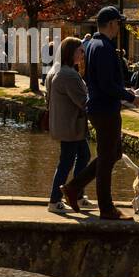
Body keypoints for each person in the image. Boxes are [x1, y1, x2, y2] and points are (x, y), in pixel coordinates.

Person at [64, 6, 139, 220]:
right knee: (108, 158)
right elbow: (108, 85)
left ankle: (74, 187)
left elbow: (101, 81)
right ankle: (106, 208)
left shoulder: (91, 44)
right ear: (110, 24)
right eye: (118, 23)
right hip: (105, 109)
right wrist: (130, 97)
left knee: (113, 154)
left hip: (98, 107)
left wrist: (123, 91)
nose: (119, 27)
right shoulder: (105, 48)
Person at [47, 37, 92, 213]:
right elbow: (83, 101)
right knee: (66, 163)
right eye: (80, 51)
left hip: (70, 126)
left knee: (84, 155)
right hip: (70, 127)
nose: (83, 54)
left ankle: (77, 195)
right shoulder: (68, 75)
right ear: (70, 52)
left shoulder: (65, 71)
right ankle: (55, 200)